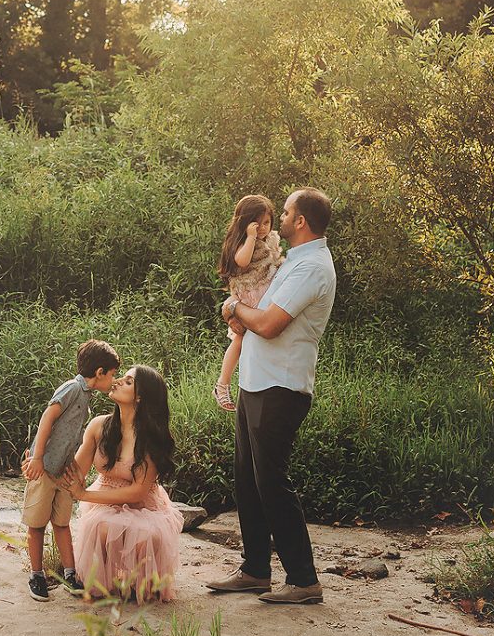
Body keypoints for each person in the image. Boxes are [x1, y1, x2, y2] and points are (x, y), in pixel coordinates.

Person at [206, 187, 337, 605]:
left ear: (300, 221)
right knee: (247, 479)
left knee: (271, 482)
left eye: (285, 212)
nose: (278, 218)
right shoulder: (291, 260)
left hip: (282, 386)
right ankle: (255, 569)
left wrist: (231, 309)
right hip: (256, 381)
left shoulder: (312, 268)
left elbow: (267, 324)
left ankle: (303, 580)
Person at [61, 364, 184, 603]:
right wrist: (42, 459)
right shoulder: (100, 425)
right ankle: (107, 582)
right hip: (104, 498)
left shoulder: (150, 437)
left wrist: (84, 495)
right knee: (101, 524)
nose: (117, 381)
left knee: (143, 534)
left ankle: (135, 582)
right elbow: (76, 470)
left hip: (142, 505)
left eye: (127, 381)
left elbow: (137, 492)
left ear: (139, 396)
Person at [20, 338, 120, 602]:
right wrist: (37, 457)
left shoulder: (85, 398)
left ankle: (70, 573)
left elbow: (74, 438)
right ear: (99, 372)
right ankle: (37, 575)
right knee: (37, 524)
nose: (114, 380)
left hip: (62, 472)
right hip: (44, 470)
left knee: (62, 523)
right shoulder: (72, 388)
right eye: (113, 375)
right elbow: (47, 417)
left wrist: (76, 469)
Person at [213, 194, 284, 412]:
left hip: (266, 295)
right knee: (240, 341)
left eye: (266, 222)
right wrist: (251, 236)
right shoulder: (243, 242)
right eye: (257, 223)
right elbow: (242, 261)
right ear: (245, 222)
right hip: (249, 295)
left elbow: (275, 260)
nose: (262, 228)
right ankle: (222, 384)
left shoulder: (270, 239)